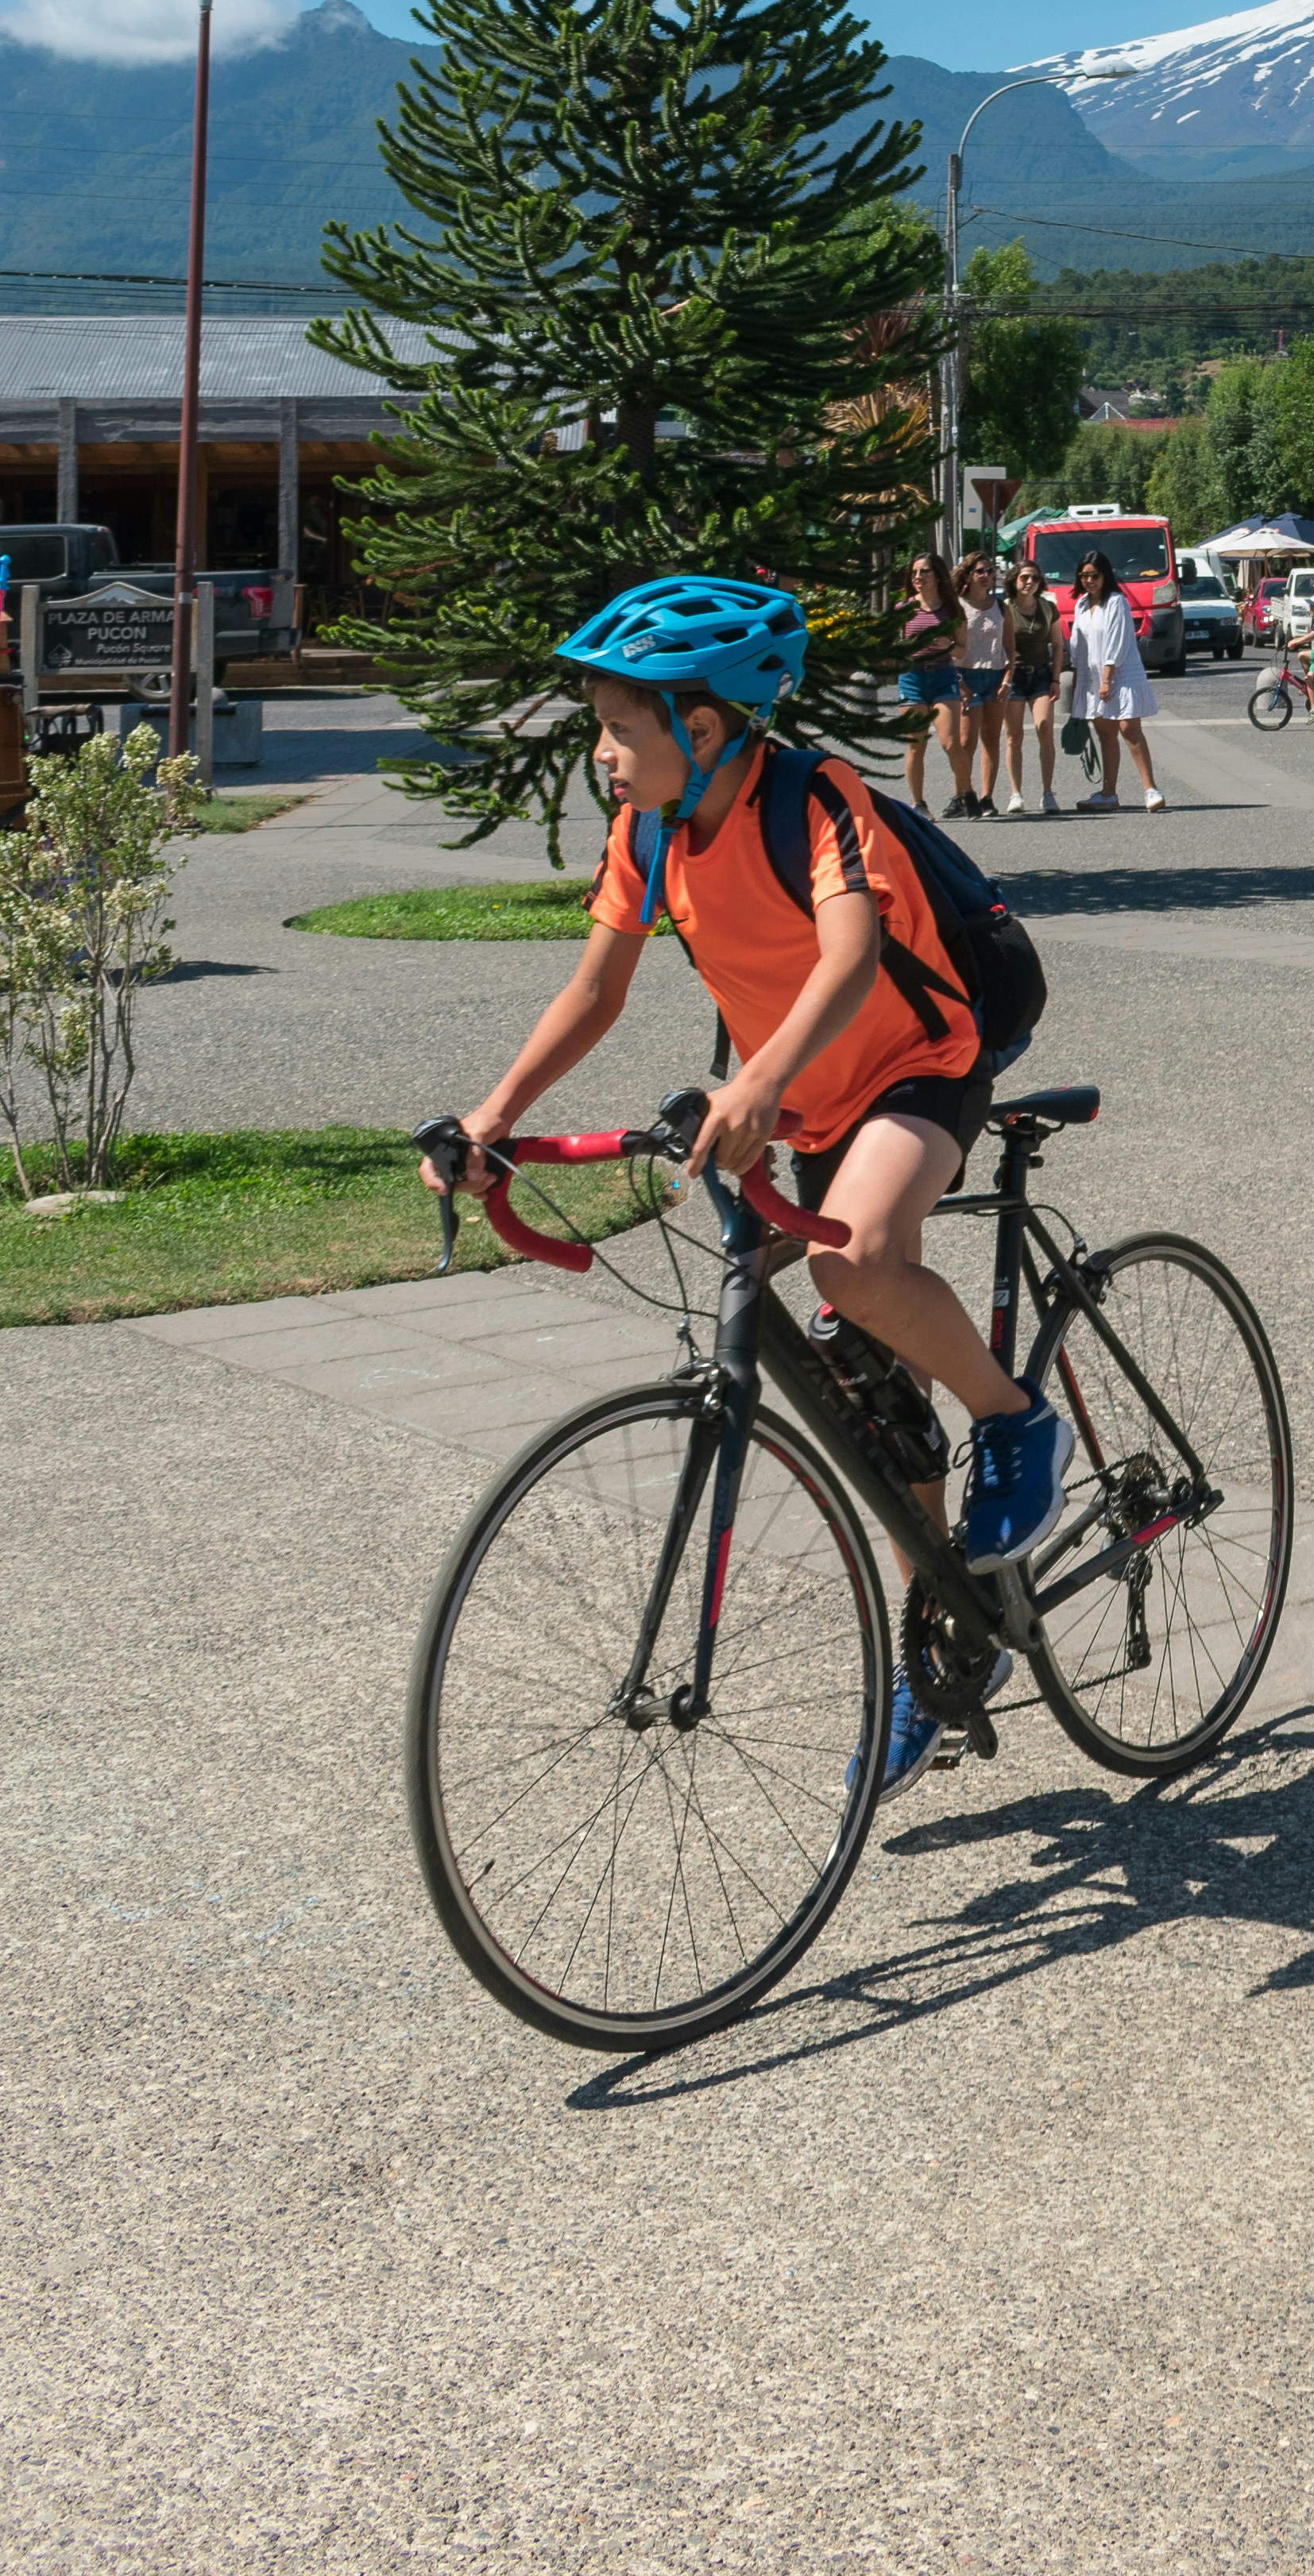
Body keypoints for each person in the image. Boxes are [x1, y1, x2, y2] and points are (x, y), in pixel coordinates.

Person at [420, 573, 1070, 1806]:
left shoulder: (814, 799)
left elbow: (851, 951)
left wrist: (760, 1081)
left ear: (704, 725)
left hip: (914, 1070)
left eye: (622, 726)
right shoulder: (648, 831)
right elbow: (597, 991)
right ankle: (935, 1629)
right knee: (848, 1377)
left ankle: (1015, 1416)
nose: (604, 752)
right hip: (801, 1101)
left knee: (857, 1258)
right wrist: (495, 1118)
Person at [1065, 546, 1165, 809]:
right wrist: (1078, 679)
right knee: (1105, 733)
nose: (1089, 580)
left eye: (1094, 575)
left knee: (1129, 730)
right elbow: (1078, 644)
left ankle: (1151, 790)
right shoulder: (1081, 605)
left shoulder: (1116, 602)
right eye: (1084, 575)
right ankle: (1108, 793)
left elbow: (1117, 642)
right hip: (1091, 676)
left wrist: (1107, 679)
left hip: (1120, 674)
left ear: (1105, 575)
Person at [992, 550, 1065, 817]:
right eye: (1024, 577)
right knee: (1014, 737)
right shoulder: (1005, 608)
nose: (1029, 582)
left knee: (1044, 728)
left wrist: (1056, 678)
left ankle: (1048, 793)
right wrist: (1002, 678)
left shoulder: (1048, 608)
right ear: (1014, 580)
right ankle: (1016, 794)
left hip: (1041, 675)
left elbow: (1057, 646)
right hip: (1014, 676)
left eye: (1034, 578)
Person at [895, 549, 960, 810]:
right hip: (913, 677)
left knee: (950, 742)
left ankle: (965, 794)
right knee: (916, 745)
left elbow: (962, 650)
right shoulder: (904, 609)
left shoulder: (951, 609)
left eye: (924, 572)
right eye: (914, 573)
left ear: (937, 576)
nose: (918, 577)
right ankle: (918, 803)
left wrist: (947, 645)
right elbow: (892, 646)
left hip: (944, 674)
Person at [949, 552, 1007, 817]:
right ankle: (961, 796)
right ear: (969, 575)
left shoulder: (1001, 606)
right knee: (965, 742)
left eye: (990, 571)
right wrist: (959, 681)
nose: (987, 576)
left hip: (995, 677)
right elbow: (952, 647)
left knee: (992, 738)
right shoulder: (958, 607)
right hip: (967, 676)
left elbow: (1010, 648)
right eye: (981, 571)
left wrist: (1008, 678)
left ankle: (986, 797)